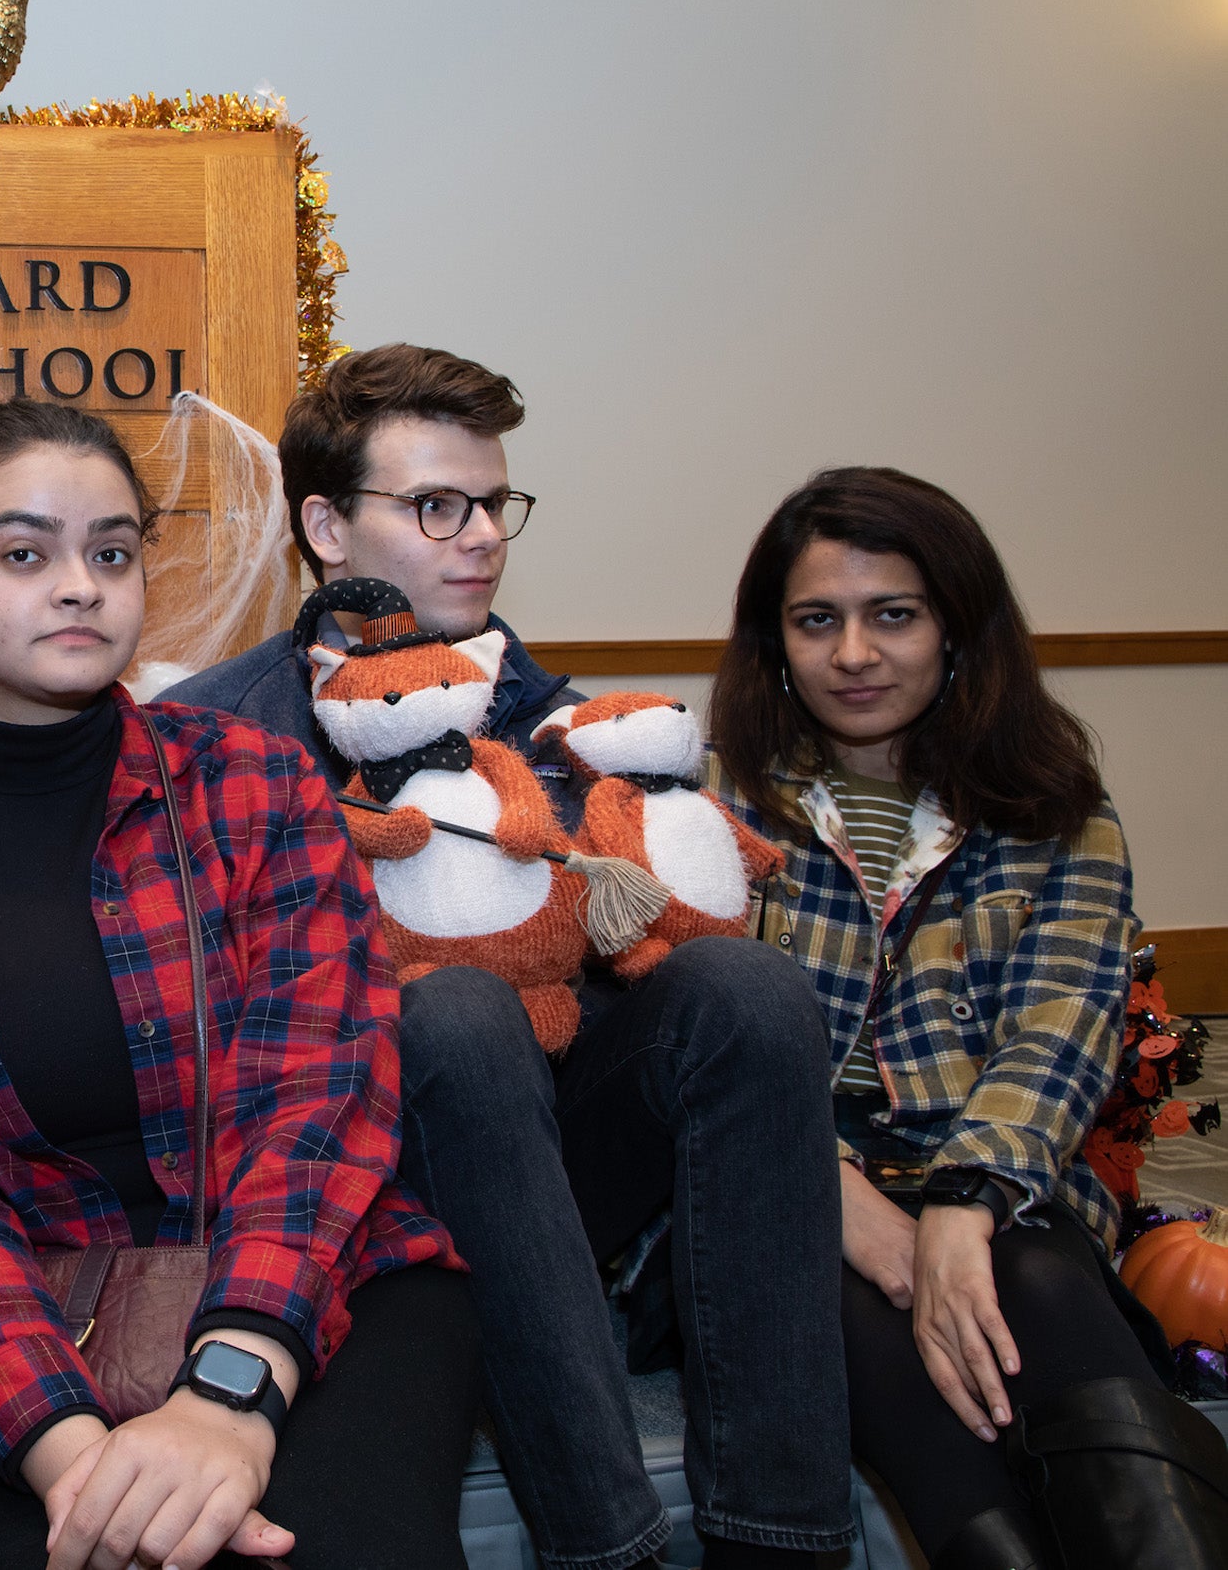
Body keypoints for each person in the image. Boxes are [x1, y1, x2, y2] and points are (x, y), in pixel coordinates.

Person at [0, 398, 481, 1570]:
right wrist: (75, 1458)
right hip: (10, 1330)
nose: (80, 584)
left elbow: (322, 1098)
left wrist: (226, 1396)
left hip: (313, 1289)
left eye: (112, 551)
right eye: (25, 553)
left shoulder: (257, 782)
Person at [162, 345, 853, 1570]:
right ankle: (609, 1545)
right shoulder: (210, 739)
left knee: (748, 987)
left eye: (494, 503)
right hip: (321, 1186)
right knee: (455, 1012)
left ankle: (780, 1537)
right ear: (325, 525)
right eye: (437, 505)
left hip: (533, 1159)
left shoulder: (560, 717)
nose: (479, 535)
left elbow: (625, 968)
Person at [708, 465, 1228, 1569]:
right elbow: (703, 1053)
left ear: (955, 626)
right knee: (845, 1309)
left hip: (1000, 1177)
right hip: (777, 1193)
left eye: (893, 613)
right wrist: (860, 1214)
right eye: (817, 620)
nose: (854, 652)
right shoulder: (712, 810)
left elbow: (1060, 1031)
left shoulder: (1057, 813)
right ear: (776, 642)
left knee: (1031, 1276)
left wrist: (961, 1205)